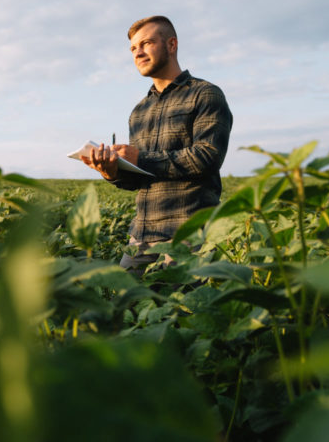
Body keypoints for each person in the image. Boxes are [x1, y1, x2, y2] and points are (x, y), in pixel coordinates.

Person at [80, 15, 233, 273]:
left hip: (190, 233)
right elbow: (140, 179)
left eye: (146, 43)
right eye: (133, 48)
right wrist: (113, 172)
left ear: (171, 45)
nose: (137, 53)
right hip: (142, 236)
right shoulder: (139, 111)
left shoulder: (205, 94)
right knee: (126, 305)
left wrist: (141, 158)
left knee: (184, 309)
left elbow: (207, 156)